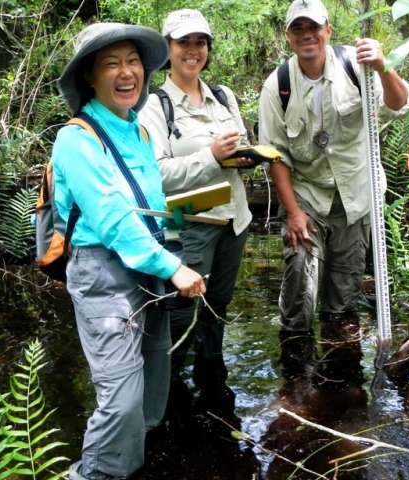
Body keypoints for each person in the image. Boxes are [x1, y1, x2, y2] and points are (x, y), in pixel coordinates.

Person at [52, 22, 206, 480]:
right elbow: (113, 219)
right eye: (111, 63)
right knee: (120, 401)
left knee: (154, 385)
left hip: (148, 266)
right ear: (89, 77)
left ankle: (133, 466)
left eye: (133, 61)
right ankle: (94, 475)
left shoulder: (137, 130)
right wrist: (173, 267)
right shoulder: (76, 139)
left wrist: (177, 230)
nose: (126, 72)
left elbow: (148, 204)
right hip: (103, 275)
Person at [258, 0, 409, 388]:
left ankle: (340, 390)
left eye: (314, 27)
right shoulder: (278, 84)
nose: (307, 35)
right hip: (307, 196)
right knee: (299, 280)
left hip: (357, 196)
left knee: (342, 300)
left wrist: (382, 66)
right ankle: (295, 381)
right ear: (289, 36)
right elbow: (275, 156)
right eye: (298, 29)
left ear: (328, 30)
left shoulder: (356, 66)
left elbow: (399, 104)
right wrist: (293, 212)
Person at [139, 9, 253, 420]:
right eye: (184, 42)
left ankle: (211, 380)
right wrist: (211, 157)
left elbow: (235, 151)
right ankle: (165, 397)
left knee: (218, 305)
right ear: (168, 48)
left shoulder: (224, 96)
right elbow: (155, 177)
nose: (193, 51)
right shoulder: (155, 106)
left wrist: (244, 157)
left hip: (233, 221)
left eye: (200, 42)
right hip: (188, 223)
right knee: (182, 310)